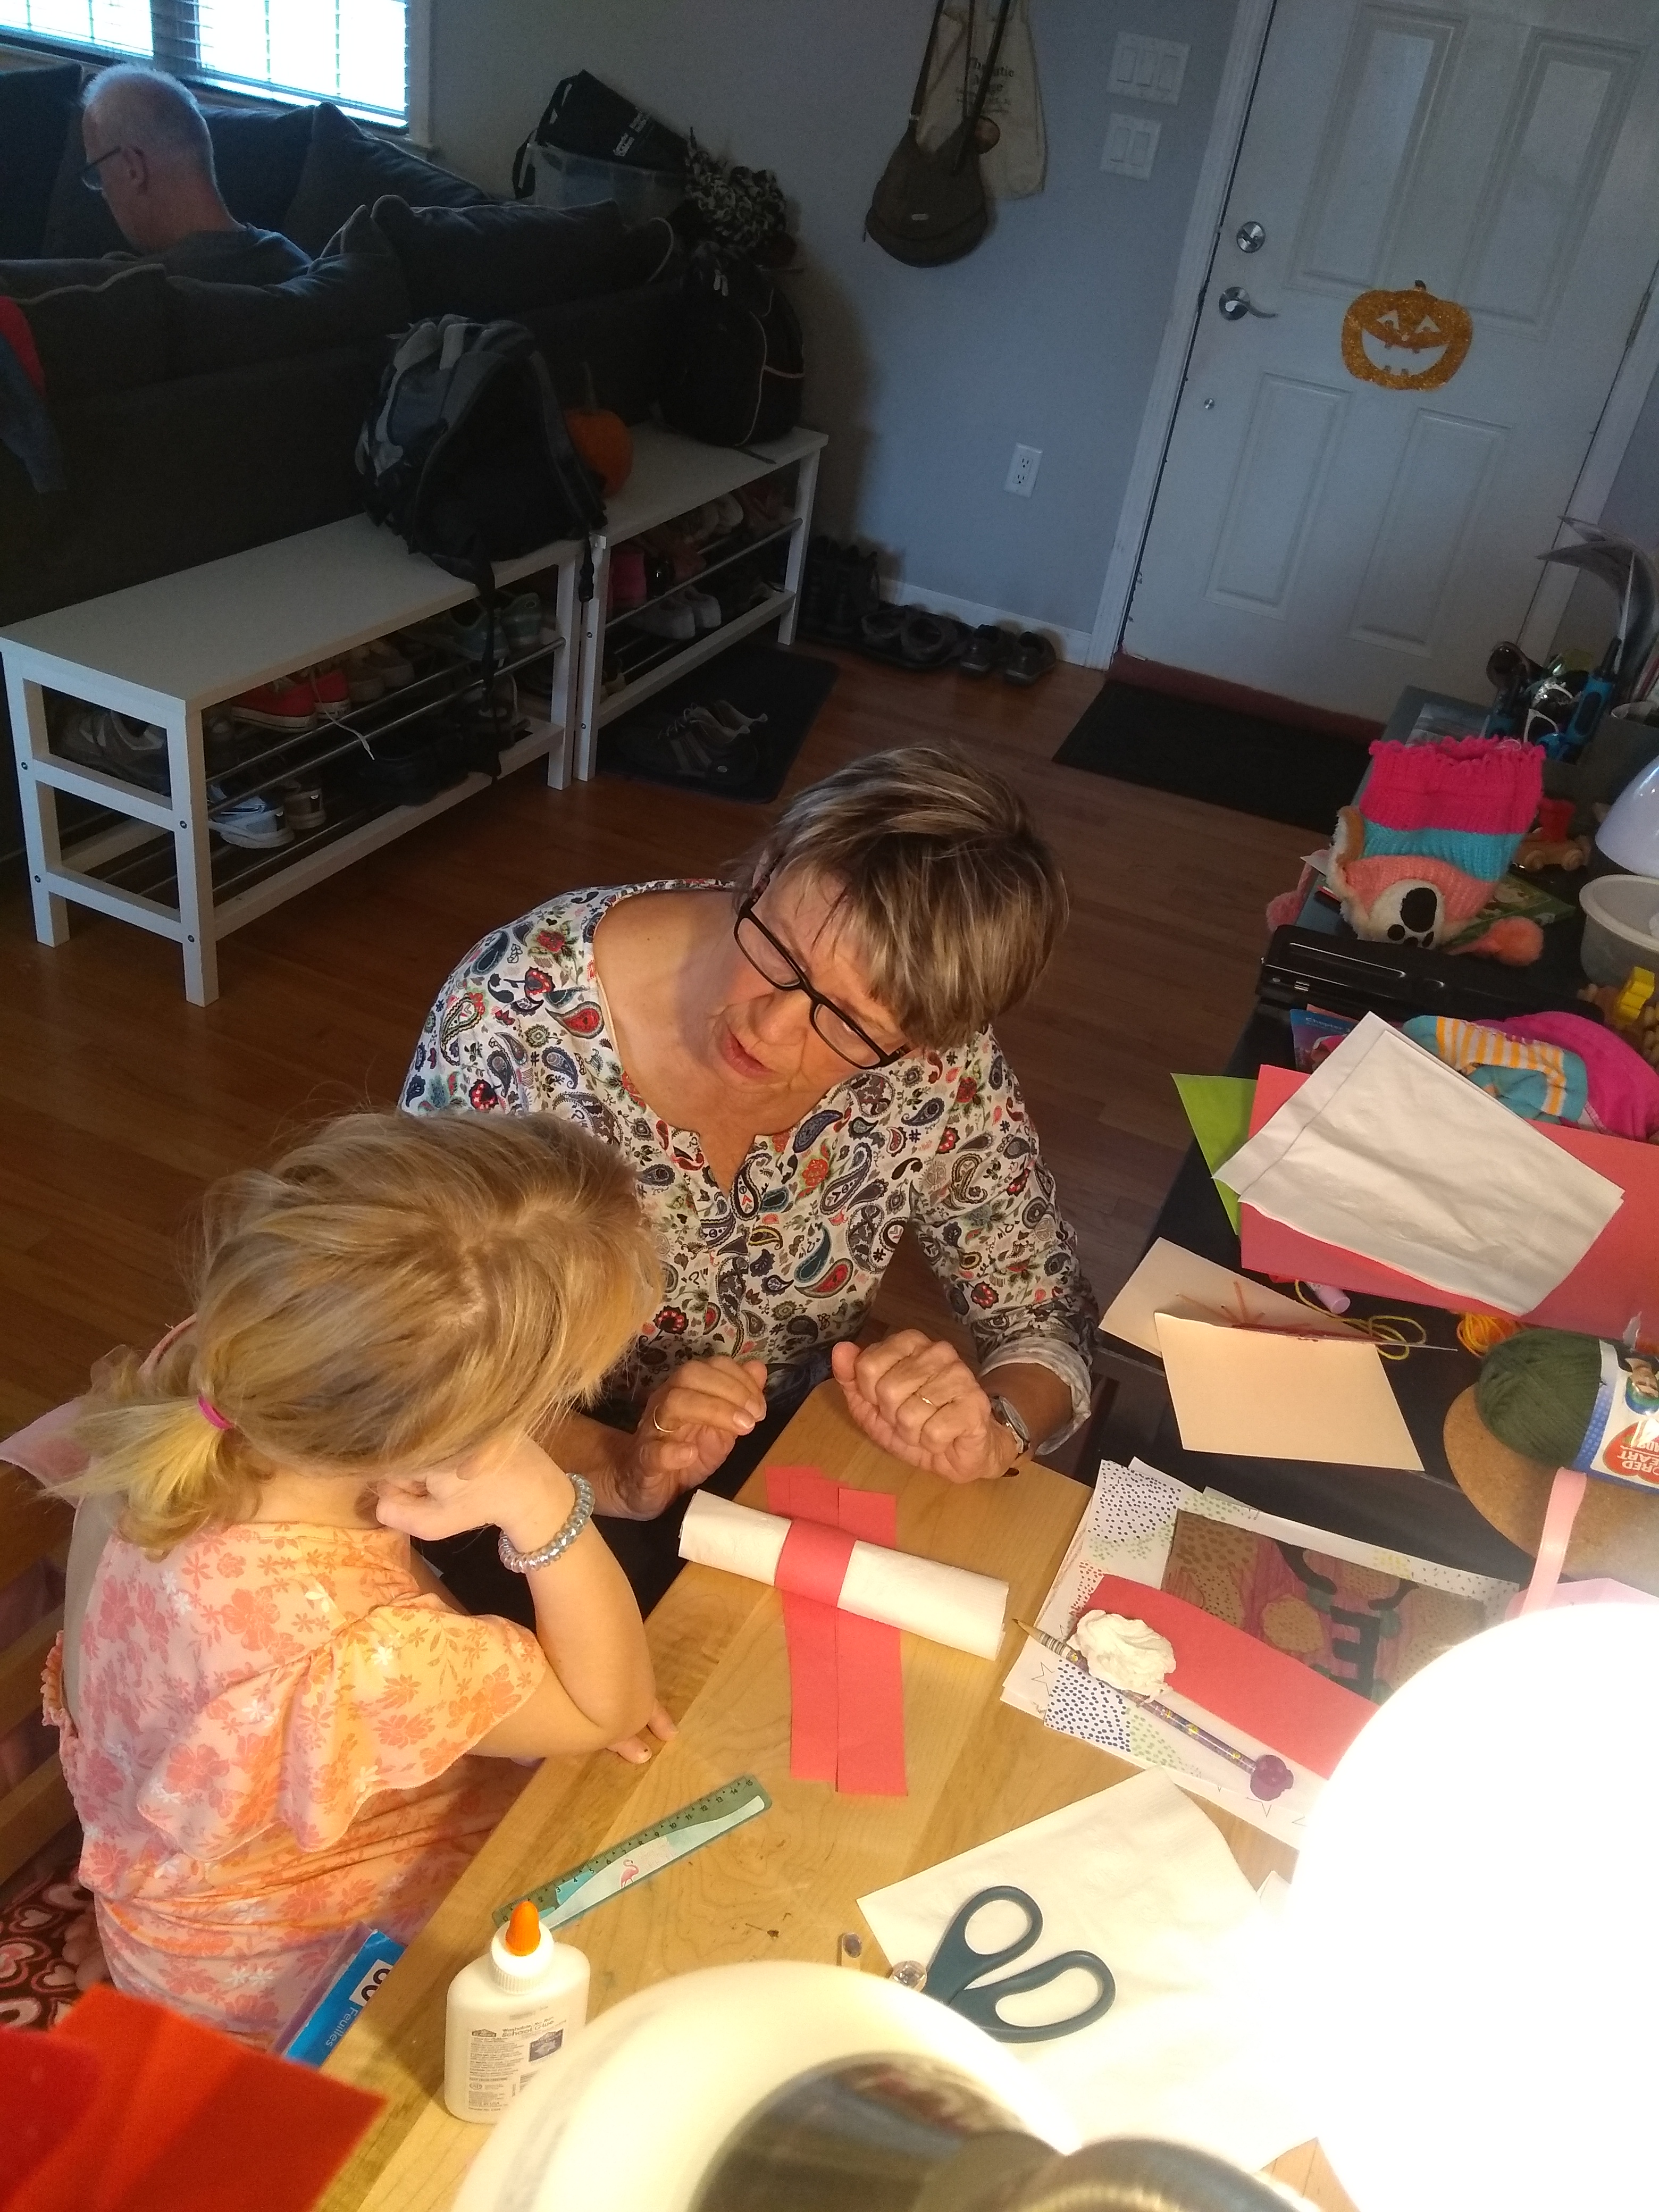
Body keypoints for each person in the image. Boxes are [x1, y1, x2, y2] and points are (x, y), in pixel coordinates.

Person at [405, 745, 1098, 1616]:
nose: (771, 1028)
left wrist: (993, 1425)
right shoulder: (515, 1018)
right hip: (518, 1470)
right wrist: (624, 1466)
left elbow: (1043, 1315)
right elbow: (412, 1352)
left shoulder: (938, 1061)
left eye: (849, 1024)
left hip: (790, 1452)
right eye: (780, 953)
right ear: (767, 866)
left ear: (919, 1041)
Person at [38, 1111, 660, 2048]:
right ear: (446, 1446)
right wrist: (541, 1499)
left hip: (171, 1906)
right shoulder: (359, 1649)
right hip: (282, 1990)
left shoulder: (207, 1373)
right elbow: (610, 1709)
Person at [79, 64, 308, 283]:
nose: (104, 194)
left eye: (98, 175)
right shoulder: (296, 264)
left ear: (133, 168)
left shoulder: (134, 291)